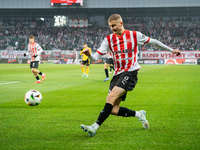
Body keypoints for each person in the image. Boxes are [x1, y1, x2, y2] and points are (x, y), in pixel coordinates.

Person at [80, 14, 181, 137]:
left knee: (110, 98)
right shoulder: (108, 39)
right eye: (110, 26)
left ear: (121, 23)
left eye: (114, 25)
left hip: (130, 72)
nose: (112, 28)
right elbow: (96, 57)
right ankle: (139, 115)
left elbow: (153, 42)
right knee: (113, 109)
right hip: (117, 74)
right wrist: (89, 55)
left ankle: (94, 127)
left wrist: (171, 50)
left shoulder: (134, 35)